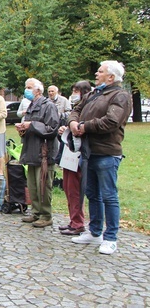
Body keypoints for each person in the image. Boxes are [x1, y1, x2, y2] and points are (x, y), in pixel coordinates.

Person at [69, 60, 132, 255]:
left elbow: (112, 121)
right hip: (89, 153)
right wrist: (73, 122)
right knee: (92, 193)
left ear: (111, 77)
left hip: (106, 152)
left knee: (109, 196)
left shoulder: (120, 96)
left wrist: (85, 126)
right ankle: (95, 231)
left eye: (100, 71)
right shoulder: (94, 93)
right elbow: (76, 110)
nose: (96, 74)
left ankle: (111, 237)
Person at [16, 78, 60, 227]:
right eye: (25, 87)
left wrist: (31, 125)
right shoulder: (31, 106)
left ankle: (46, 215)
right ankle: (35, 212)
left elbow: (52, 129)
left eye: (29, 87)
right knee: (33, 185)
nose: (26, 90)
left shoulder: (49, 106)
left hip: (44, 152)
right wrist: (22, 129)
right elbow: (30, 127)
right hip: (31, 151)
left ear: (38, 90)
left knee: (43, 185)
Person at [57, 81, 92, 236]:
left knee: (76, 189)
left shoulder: (87, 108)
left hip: (79, 154)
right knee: (68, 188)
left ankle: (78, 223)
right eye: (73, 90)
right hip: (68, 152)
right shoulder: (75, 109)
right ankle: (73, 220)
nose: (73, 93)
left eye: (76, 90)